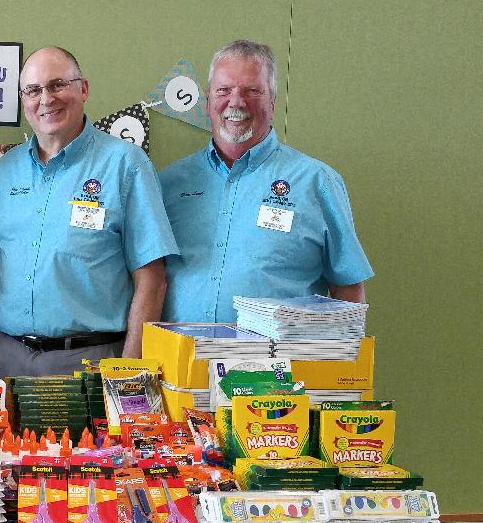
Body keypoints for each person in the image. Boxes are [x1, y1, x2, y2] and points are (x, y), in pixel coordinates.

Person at [0, 46, 177, 377]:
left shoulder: (125, 164)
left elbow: (152, 280)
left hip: (91, 363)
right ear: (23, 99)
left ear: (82, 88)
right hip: (9, 359)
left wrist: (127, 372)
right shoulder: (8, 169)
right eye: (33, 90)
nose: (46, 99)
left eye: (57, 85)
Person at [159, 40, 373, 323]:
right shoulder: (168, 183)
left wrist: (343, 360)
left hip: (274, 364)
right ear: (208, 102)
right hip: (179, 360)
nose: (236, 101)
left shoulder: (317, 182)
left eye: (252, 91)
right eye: (224, 90)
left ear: (271, 103)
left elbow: (347, 287)